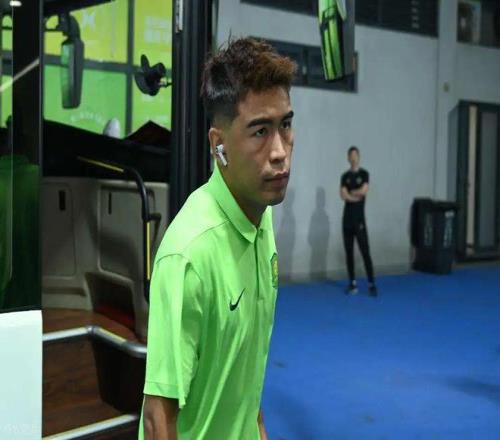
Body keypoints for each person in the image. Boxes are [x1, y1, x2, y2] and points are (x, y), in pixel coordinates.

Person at [140, 37, 296, 439]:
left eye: (285, 125)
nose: (280, 151)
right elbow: (158, 420)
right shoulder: (189, 256)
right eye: (260, 131)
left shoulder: (260, 219)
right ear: (218, 145)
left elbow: (245, 372)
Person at [340, 146, 377, 296]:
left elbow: (364, 191)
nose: (353, 158)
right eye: (351, 155)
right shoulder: (345, 176)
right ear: (348, 158)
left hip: (359, 220)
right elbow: (343, 195)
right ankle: (352, 283)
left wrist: (352, 193)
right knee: (349, 252)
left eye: (355, 155)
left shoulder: (364, 174)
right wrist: (355, 195)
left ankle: (371, 283)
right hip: (347, 220)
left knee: (365, 251)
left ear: (359, 157)